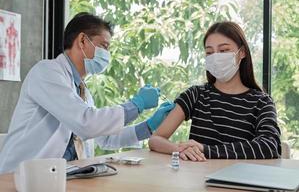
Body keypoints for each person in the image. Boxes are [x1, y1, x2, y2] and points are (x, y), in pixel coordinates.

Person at [0, 12, 175, 174]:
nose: (107, 55)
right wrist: (137, 105)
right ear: (82, 40)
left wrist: (149, 126)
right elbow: (87, 123)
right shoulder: (46, 72)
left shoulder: (81, 91)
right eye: (104, 46)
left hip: (61, 175)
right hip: (21, 178)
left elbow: (104, 138)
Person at [149, 21, 281, 161]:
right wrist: (180, 150)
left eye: (223, 50)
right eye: (209, 52)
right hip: (199, 180)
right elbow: (156, 139)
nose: (216, 57)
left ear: (242, 52)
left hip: (239, 181)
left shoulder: (262, 102)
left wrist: (206, 150)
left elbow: (270, 146)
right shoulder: (196, 95)